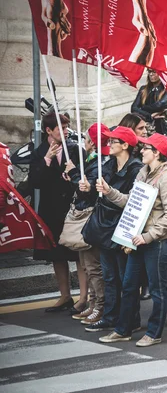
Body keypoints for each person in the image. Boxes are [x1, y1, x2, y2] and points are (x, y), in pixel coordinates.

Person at [98, 133, 167, 347]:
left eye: (146, 148)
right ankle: (122, 330)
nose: (141, 151)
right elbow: (130, 202)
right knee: (129, 285)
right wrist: (109, 192)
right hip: (137, 240)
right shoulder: (143, 173)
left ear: (157, 153)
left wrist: (148, 236)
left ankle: (154, 333)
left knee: (157, 288)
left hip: (156, 242)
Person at [82, 126, 143, 333]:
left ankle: (130, 319)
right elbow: (97, 187)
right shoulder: (109, 164)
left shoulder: (136, 169)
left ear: (125, 145)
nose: (109, 144)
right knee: (109, 276)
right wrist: (88, 187)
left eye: (113, 141)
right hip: (105, 226)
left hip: (123, 227)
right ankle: (110, 316)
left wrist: (109, 191)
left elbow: (132, 202)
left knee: (126, 278)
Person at [28, 112, 81, 312]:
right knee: (57, 254)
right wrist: (47, 159)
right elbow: (35, 182)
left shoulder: (74, 149)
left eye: (67, 128)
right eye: (62, 129)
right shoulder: (38, 152)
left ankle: (84, 296)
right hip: (51, 209)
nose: (67, 132)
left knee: (77, 253)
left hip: (72, 208)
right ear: (49, 130)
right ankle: (65, 296)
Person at [64, 124, 110, 325]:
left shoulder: (99, 162)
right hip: (85, 216)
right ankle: (93, 303)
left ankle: (100, 305)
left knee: (93, 265)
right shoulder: (91, 160)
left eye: (86, 139)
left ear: (92, 142)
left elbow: (88, 190)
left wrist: (74, 174)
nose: (84, 142)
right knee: (86, 264)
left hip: (91, 216)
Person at [131, 68, 167, 136]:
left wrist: (142, 108)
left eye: (154, 72)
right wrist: (150, 116)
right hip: (147, 128)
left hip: (163, 129)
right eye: (149, 71)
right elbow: (133, 108)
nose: (151, 74)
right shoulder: (143, 89)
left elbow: (159, 106)